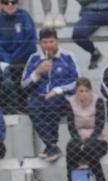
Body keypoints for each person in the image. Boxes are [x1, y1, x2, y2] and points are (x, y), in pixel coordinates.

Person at [22, 27, 80, 162]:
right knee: (32, 107)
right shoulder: (34, 58)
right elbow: (24, 85)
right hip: (39, 97)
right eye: (45, 42)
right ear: (40, 43)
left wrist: (57, 90)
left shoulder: (68, 57)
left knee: (53, 101)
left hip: (62, 97)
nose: (48, 45)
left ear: (58, 41)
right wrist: (37, 72)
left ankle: (50, 145)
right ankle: (52, 145)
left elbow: (77, 81)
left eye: (51, 42)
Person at [0, 0, 37, 114]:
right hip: (4, 57)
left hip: (23, 55)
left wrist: (13, 58)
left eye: (13, 2)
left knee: (16, 70)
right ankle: (1, 106)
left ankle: (20, 105)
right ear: (2, 4)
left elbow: (29, 41)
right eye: (6, 2)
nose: (10, 5)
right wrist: (6, 58)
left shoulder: (24, 16)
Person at [65, 78, 108, 181]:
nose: (84, 94)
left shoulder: (98, 101)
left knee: (90, 149)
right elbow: (71, 126)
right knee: (71, 149)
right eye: (80, 91)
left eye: (86, 91)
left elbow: (100, 125)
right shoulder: (71, 102)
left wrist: (89, 140)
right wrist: (79, 140)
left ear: (91, 90)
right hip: (78, 137)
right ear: (76, 92)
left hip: (97, 138)